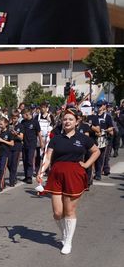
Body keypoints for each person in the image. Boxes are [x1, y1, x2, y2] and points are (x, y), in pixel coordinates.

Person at [38, 108, 99, 255]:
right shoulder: (56, 139)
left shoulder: (83, 138)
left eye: (70, 119)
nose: (67, 121)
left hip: (74, 175)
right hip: (56, 175)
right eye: (65, 119)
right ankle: (65, 233)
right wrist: (41, 171)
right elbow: (48, 157)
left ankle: (68, 241)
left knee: (69, 211)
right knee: (58, 213)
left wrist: (86, 164)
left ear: (77, 122)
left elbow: (96, 151)